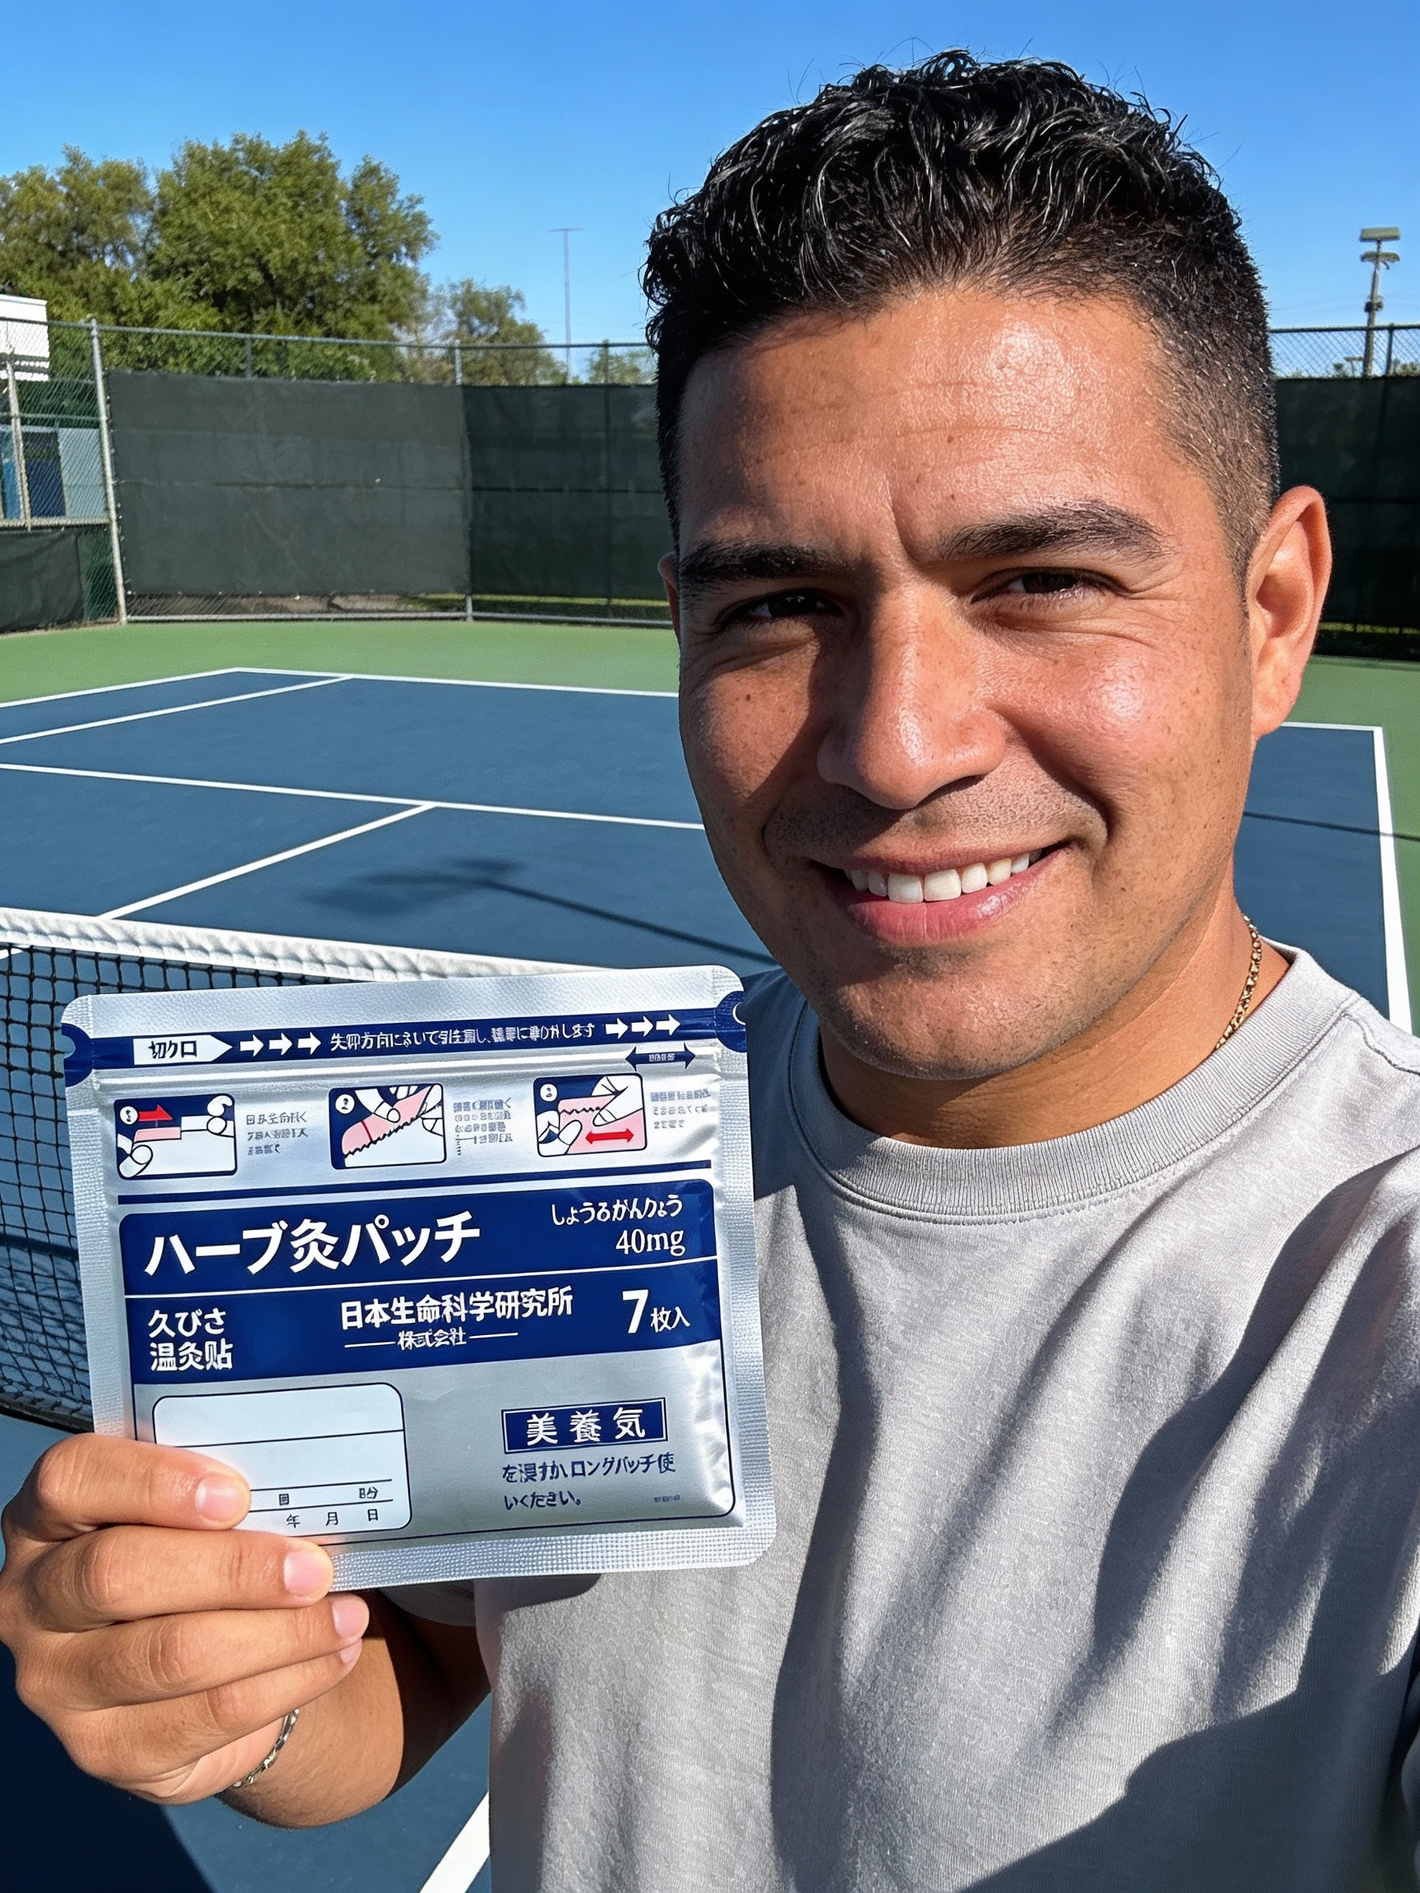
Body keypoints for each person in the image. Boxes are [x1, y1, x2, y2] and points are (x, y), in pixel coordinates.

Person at [2, 50, 1418, 1891]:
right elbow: (402, 1681)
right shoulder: (553, 1155)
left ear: (1273, 608)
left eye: (1043, 581)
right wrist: (227, 1686)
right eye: (780, 604)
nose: (896, 745)